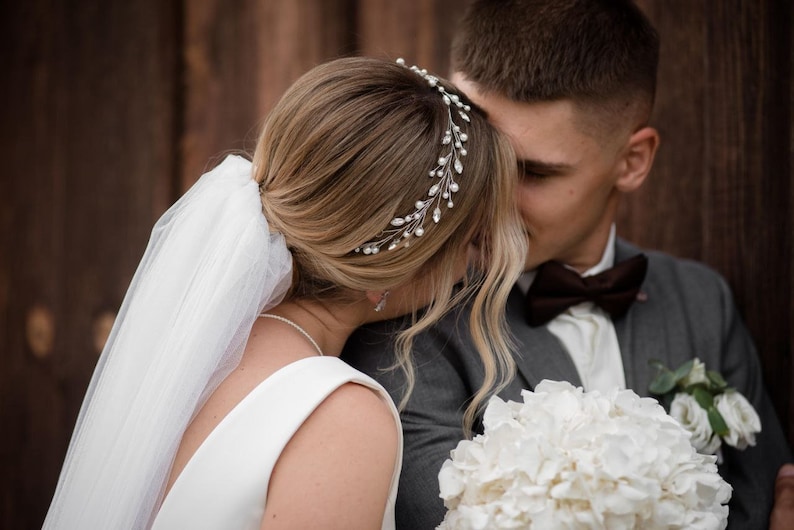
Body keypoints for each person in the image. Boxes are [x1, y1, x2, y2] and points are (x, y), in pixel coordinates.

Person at [342, 1, 792, 529]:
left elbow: (760, 505)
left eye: (533, 173)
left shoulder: (701, 302)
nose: (488, 195)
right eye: (477, 154)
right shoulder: (411, 308)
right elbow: (440, 517)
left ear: (632, 161)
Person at [43, 56, 527, 529]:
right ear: (386, 272)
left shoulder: (187, 351)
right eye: (471, 241)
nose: (473, 266)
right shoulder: (341, 418)